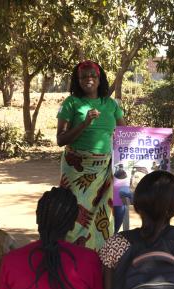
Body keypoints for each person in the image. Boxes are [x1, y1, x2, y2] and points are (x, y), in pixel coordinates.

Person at [57, 60, 125, 250]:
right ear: (77, 80)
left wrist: (160, 140)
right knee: (74, 213)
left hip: (104, 169)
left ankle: (101, 249)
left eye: (93, 76)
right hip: (77, 170)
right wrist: (85, 123)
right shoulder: (71, 103)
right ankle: (70, 252)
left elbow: (125, 133)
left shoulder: (110, 104)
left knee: (113, 208)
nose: (88, 80)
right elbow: (61, 139)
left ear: (99, 79)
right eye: (83, 77)